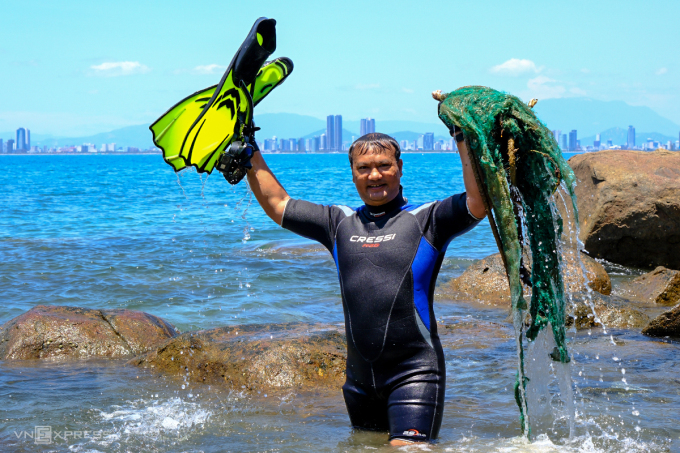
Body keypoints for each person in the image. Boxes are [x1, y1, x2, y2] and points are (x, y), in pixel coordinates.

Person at [245, 132, 485, 445]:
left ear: (400, 167)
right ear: (353, 173)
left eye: (384, 165)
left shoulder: (428, 219)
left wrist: (463, 138)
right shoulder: (338, 222)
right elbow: (279, 204)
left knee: (407, 449)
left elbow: (478, 201)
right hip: (359, 381)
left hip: (414, 373)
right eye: (363, 168)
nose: (374, 175)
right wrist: (250, 154)